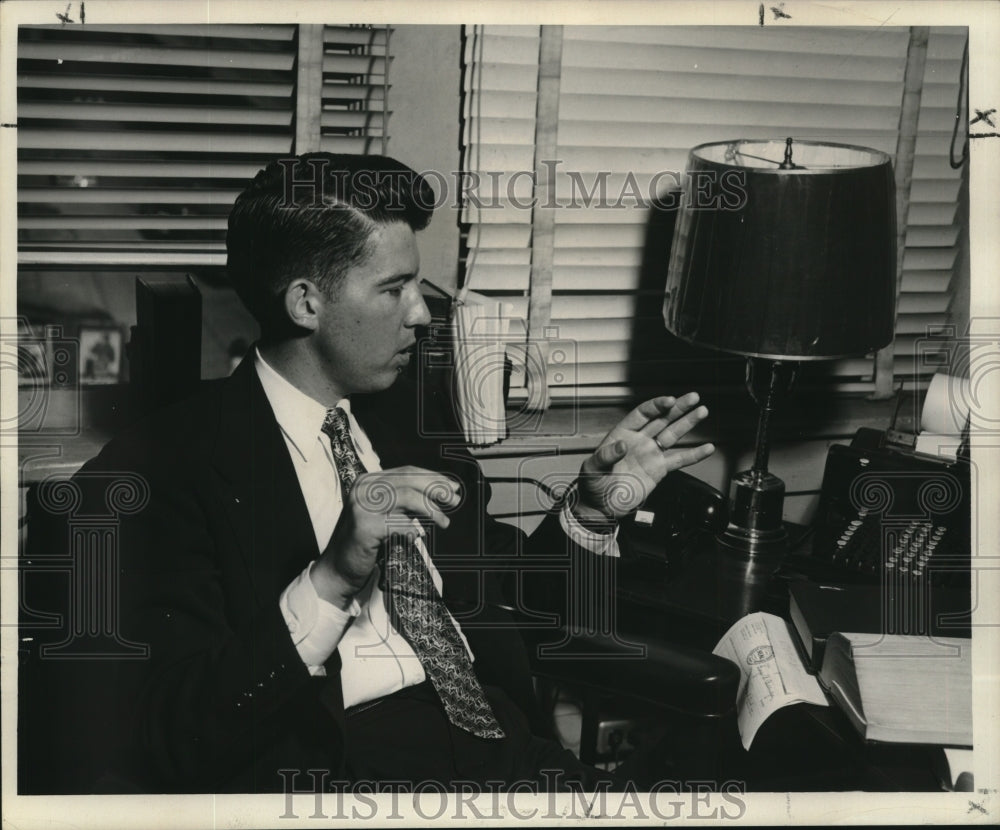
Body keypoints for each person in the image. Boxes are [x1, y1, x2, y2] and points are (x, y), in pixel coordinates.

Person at [21, 153, 714, 794]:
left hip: (505, 754)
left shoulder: (403, 417)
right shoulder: (148, 481)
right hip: (339, 779)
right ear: (305, 304)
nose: (422, 313)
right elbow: (170, 737)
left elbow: (505, 601)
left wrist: (592, 510)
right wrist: (332, 577)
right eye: (395, 288)